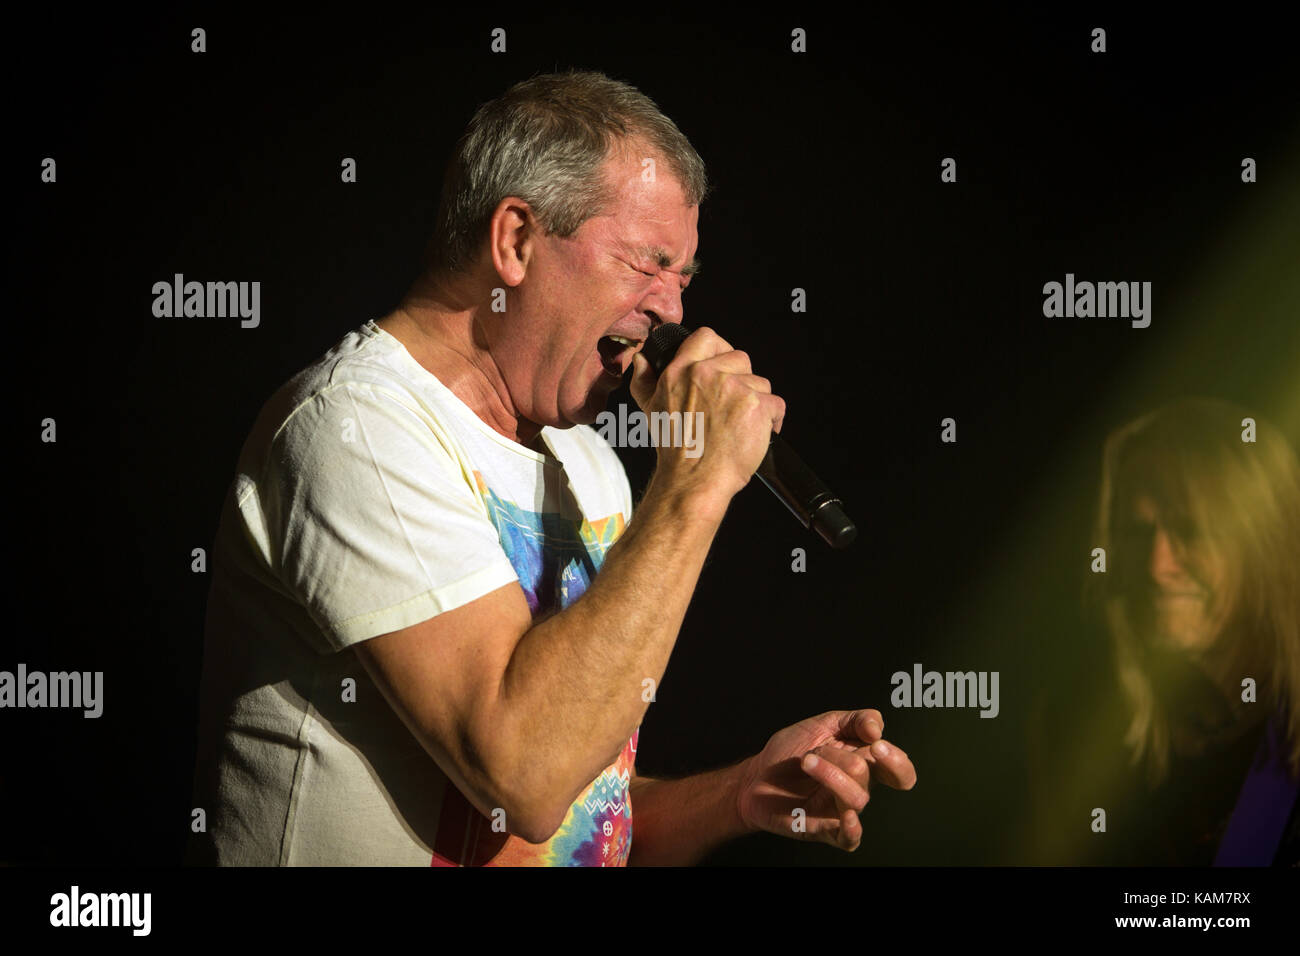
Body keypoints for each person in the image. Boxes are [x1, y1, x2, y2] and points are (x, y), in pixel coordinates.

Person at [186, 69, 916, 867]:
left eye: (684, 277)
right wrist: (698, 483)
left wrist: (740, 792)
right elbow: (522, 776)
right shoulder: (357, 427)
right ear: (516, 241)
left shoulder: (588, 463)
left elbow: (576, 812)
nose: (672, 309)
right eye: (648, 263)